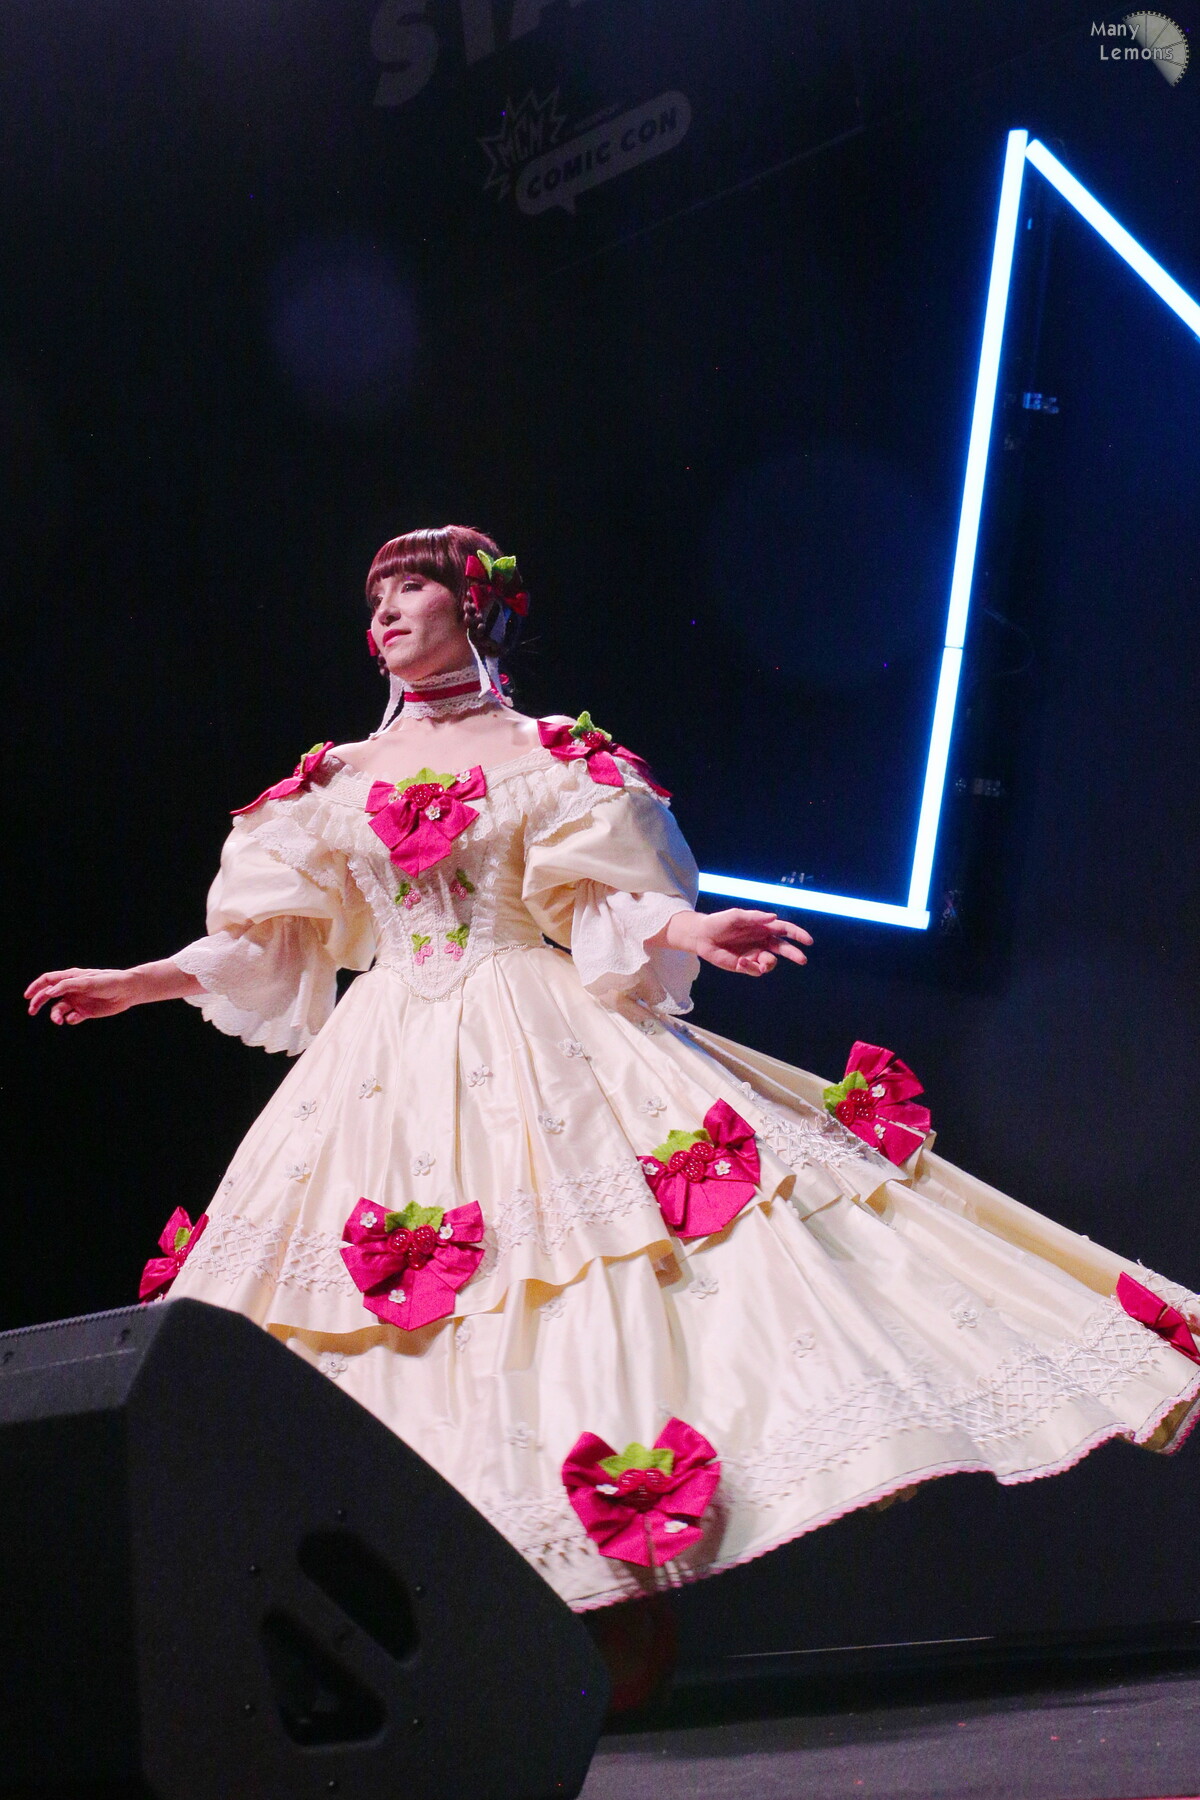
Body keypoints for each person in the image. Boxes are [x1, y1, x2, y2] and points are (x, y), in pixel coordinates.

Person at [25, 524, 1200, 1635]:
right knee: (374, 1304)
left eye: (412, 587)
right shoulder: (337, 777)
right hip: (379, 1058)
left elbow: (602, 900)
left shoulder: (549, 758)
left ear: (477, 604)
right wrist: (141, 981)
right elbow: (276, 939)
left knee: (597, 1276)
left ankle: (604, 1582)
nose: (385, 611)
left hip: (529, 1027)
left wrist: (692, 932)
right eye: (375, 596)